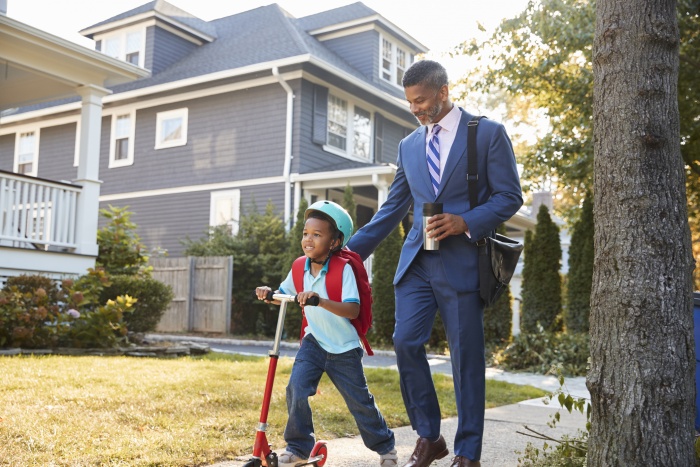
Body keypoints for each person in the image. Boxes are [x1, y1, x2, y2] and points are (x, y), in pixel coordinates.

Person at [346, 60, 523, 467]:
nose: (415, 109)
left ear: (443, 91)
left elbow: (509, 196)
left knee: (465, 358)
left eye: (421, 100)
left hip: (462, 263)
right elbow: (392, 208)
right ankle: (429, 437)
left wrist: (466, 222)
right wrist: (347, 254)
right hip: (417, 264)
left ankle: (468, 452)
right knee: (406, 343)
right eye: (410, 103)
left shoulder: (487, 134)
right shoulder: (409, 145)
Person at [255, 200, 397, 467]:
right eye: (306, 234)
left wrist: (319, 300)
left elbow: (353, 310)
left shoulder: (344, 269)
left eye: (317, 235)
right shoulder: (299, 266)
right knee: (296, 388)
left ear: (334, 242)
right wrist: (268, 294)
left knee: (359, 403)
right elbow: (285, 295)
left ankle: (386, 447)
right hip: (315, 342)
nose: (308, 240)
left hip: (344, 349)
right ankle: (298, 447)